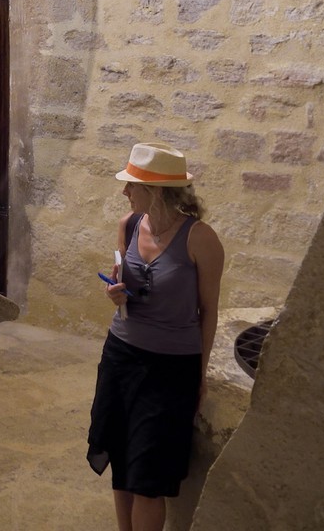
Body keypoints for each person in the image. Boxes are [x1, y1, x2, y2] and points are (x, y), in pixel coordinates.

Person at [87, 141, 225, 531]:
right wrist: (115, 293)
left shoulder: (200, 239)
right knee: (121, 462)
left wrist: (200, 373)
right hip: (120, 356)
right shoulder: (129, 225)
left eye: (131, 185)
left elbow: (209, 311)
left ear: (156, 191)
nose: (124, 191)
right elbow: (121, 282)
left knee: (149, 479)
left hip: (170, 369)